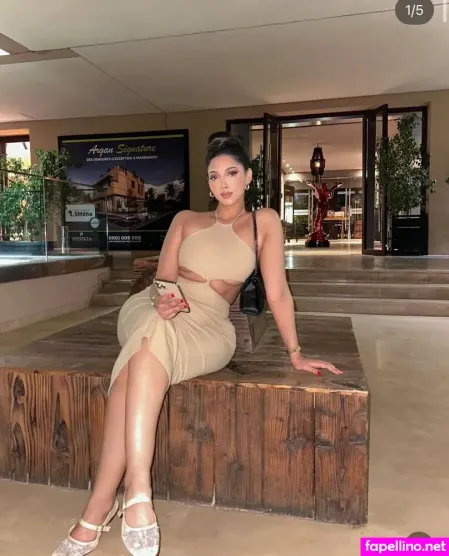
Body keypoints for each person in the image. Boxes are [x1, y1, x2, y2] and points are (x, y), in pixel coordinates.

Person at [52, 133, 342, 556]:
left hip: (209, 326)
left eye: (231, 173)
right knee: (154, 327)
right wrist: (163, 301)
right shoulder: (186, 219)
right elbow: (163, 280)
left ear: (247, 177)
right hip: (154, 308)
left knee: (137, 361)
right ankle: (137, 490)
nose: (223, 183)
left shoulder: (264, 222)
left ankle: (99, 507)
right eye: (214, 176)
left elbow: (278, 292)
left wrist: (295, 354)